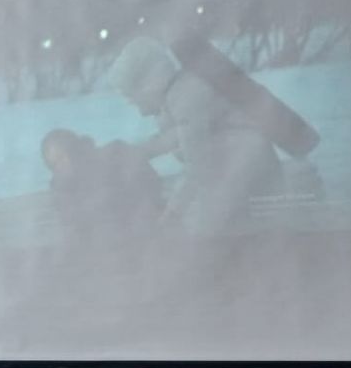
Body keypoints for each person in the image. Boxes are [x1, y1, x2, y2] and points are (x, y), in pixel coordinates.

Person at [109, 35, 286, 228]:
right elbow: (176, 137)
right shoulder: (180, 92)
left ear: (147, 86)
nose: (141, 112)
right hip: (243, 180)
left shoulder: (188, 100)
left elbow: (198, 168)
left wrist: (172, 214)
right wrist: (138, 153)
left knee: (208, 235)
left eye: (135, 100)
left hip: (252, 188)